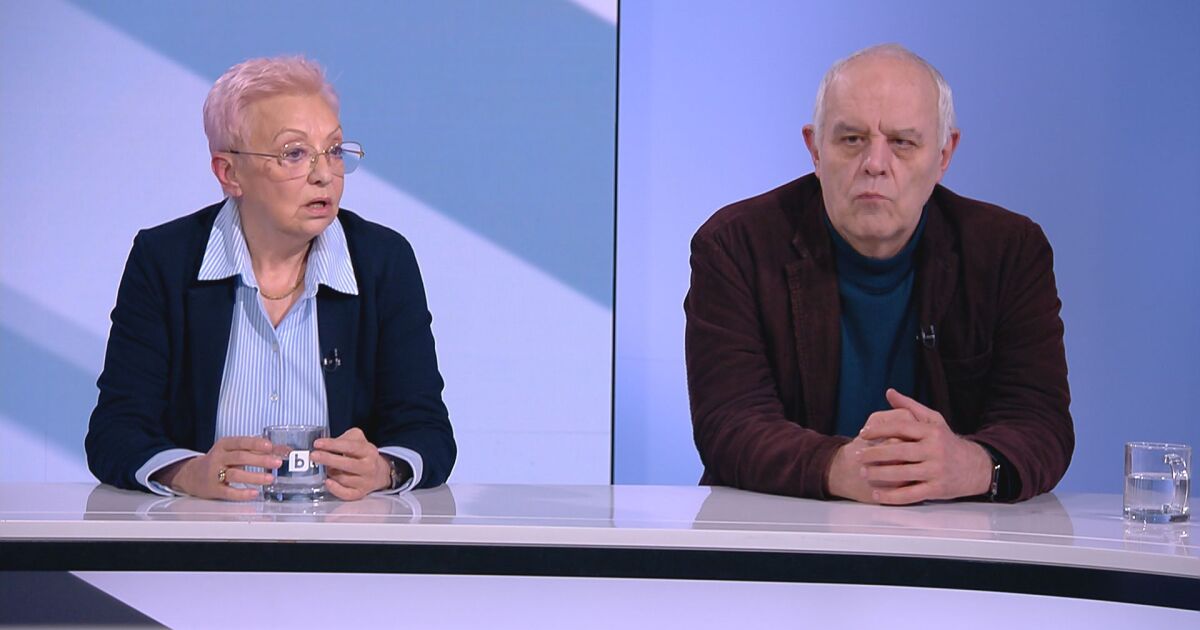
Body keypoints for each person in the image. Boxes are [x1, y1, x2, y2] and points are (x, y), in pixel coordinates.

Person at [684, 44, 1072, 504]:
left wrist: (972, 464)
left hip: (954, 535)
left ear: (944, 154)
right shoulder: (734, 247)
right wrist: (837, 467)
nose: (875, 163)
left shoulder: (1009, 252)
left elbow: (1040, 422)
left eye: (903, 142)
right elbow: (729, 423)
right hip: (778, 532)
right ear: (815, 149)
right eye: (852, 139)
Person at [86, 56, 455, 500]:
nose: (324, 175)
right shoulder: (166, 261)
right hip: (202, 532)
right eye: (294, 153)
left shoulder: (382, 262)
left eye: (334, 150)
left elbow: (428, 432)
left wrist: (384, 469)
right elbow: (115, 432)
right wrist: (188, 473)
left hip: (342, 532)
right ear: (229, 173)